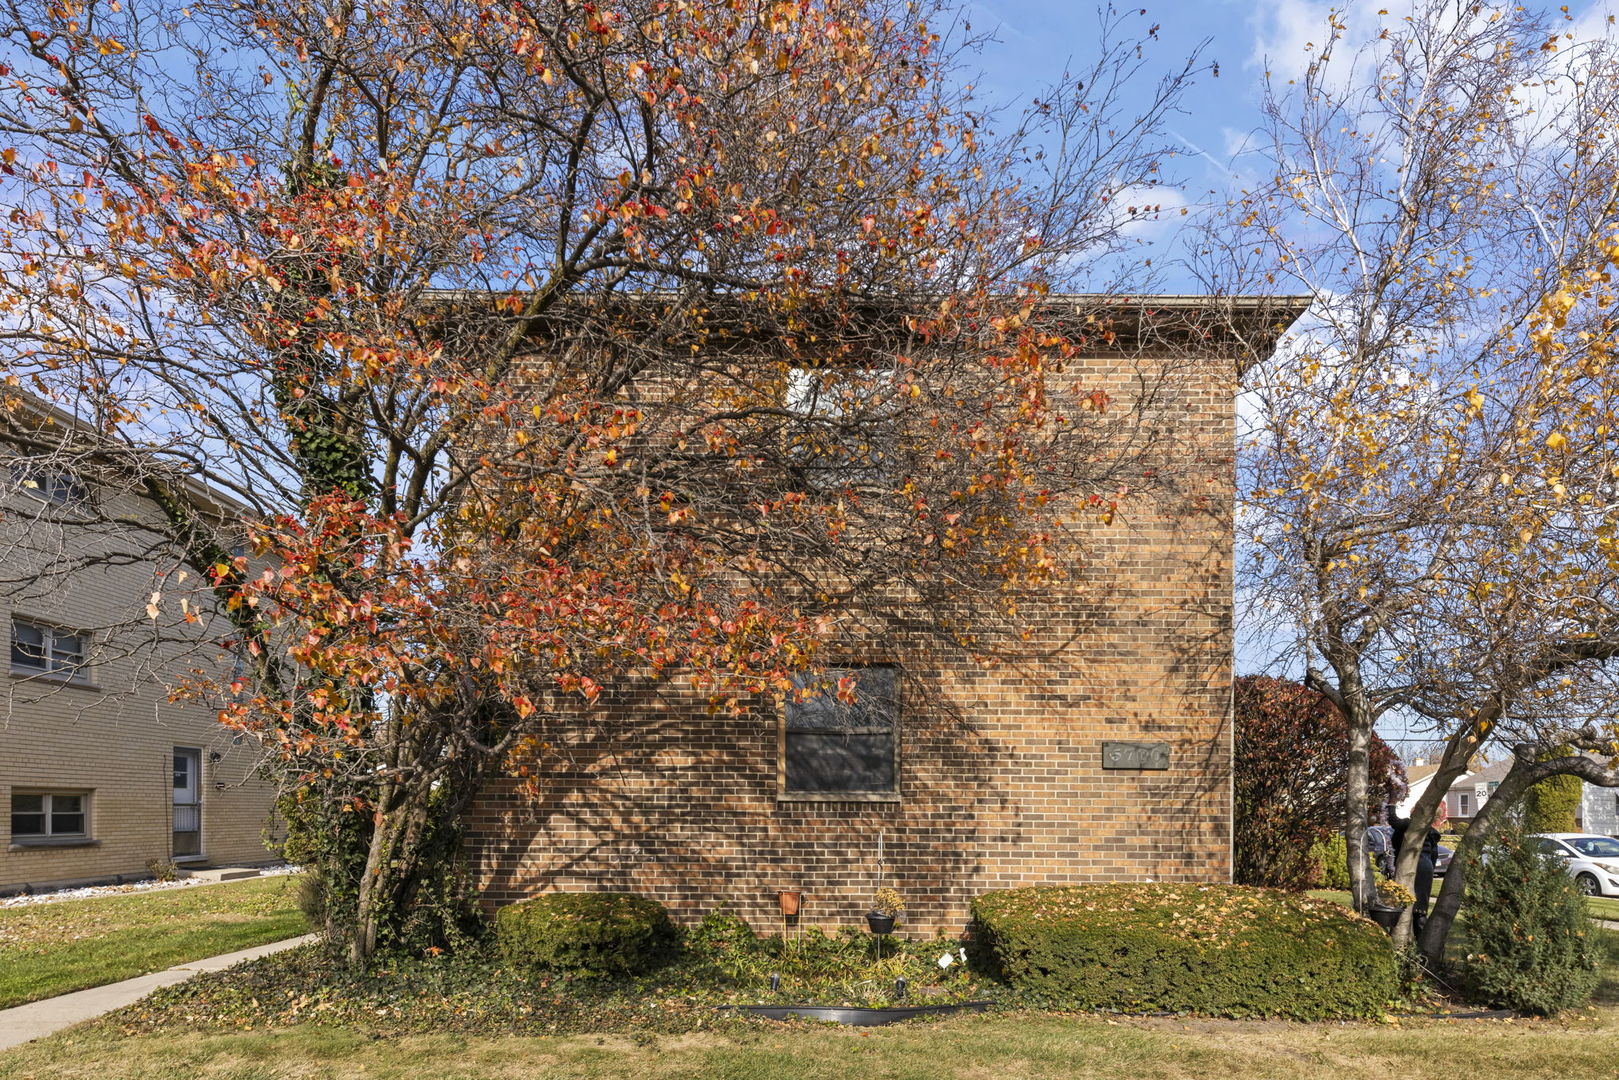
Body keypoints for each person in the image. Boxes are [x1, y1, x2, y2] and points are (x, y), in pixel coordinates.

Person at [1385, 803, 1441, 934]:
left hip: (1411, 864)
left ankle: (1405, 935)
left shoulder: (1409, 824)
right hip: (1426, 867)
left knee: (1403, 901)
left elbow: (1393, 820)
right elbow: (1434, 854)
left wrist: (1391, 804)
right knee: (1420, 907)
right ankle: (1421, 938)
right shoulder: (1431, 832)